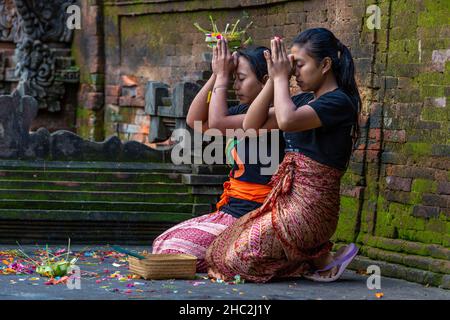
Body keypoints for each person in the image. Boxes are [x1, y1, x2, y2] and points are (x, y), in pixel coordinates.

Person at [205, 28, 361, 283]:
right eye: (291, 66)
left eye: (299, 65)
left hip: (312, 211)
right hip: (285, 205)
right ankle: (313, 258)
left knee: (235, 262)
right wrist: (273, 81)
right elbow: (252, 125)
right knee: (216, 252)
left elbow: (287, 121)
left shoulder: (339, 102)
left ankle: (311, 259)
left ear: (324, 65)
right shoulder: (302, 101)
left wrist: (279, 79)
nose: (294, 72)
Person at [152, 41, 284, 272]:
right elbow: (196, 121)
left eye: (241, 78)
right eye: (234, 79)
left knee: (173, 250)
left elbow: (216, 122)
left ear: (266, 81)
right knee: (162, 243)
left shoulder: (276, 116)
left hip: (252, 216)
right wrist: (216, 75)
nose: (235, 86)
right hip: (231, 211)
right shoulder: (243, 114)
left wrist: (222, 78)